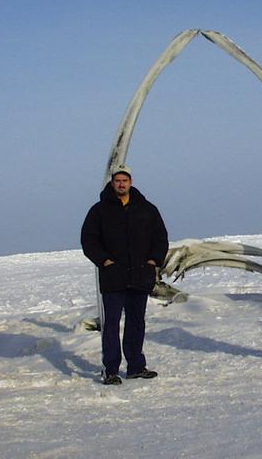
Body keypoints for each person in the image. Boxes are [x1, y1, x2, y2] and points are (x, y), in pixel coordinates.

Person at [81, 165, 168, 385]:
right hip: (113, 278)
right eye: (117, 181)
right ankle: (110, 369)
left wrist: (153, 260)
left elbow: (160, 237)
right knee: (111, 324)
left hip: (139, 276)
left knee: (136, 322)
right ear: (112, 183)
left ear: (131, 182)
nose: (121, 184)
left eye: (125, 180)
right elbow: (89, 240)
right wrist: (105, 261)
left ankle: (136, 366)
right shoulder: (99, 211)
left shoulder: (146, 209)